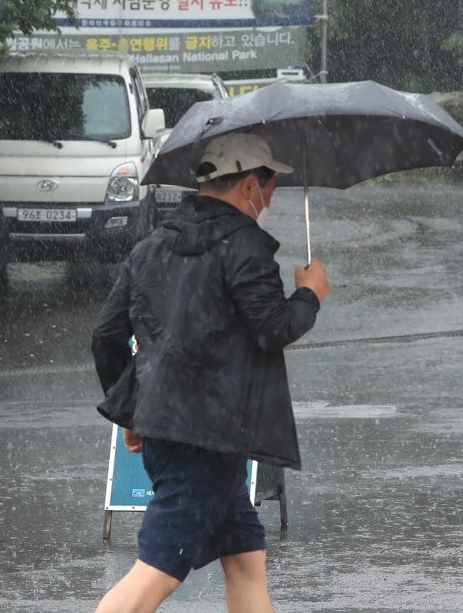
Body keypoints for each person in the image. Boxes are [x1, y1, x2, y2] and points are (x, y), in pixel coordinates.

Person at [91, 132, 330, 612]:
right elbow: (273, 327)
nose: (270, 199)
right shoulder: (245, 247)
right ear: (247, 186)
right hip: (208, 437)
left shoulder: (151, 247)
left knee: (245, 560)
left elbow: (106, 336)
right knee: (155, 573)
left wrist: (135, 413)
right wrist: (310, 294)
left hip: (185, 436)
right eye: (269, 187)